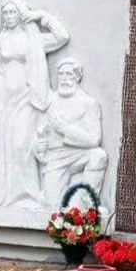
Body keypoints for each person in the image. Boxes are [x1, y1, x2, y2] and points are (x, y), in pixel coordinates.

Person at [0, 0, 69, 208]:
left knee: (22, 145)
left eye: (13, 12)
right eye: (6, 13)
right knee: (2, 149)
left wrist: (40, 16)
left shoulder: (33, 39)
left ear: (20, 15)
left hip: (26, 99)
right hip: (2, 99)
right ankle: (2, 198)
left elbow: (62, 36)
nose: (9, 17)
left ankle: (27, 196)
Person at [35, 59, 108, 209]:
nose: (64, 78)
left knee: (98, 156)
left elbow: (94, 138)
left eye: (68, 74)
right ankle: (48, 197)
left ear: (77, 77)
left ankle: (88, 203)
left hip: (79, 154)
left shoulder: (88, 103)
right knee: (50, 204)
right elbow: (39, 132)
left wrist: (64, 128)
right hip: (55, 157)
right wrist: (39, 147)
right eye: (61, 74)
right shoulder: (50, 102)